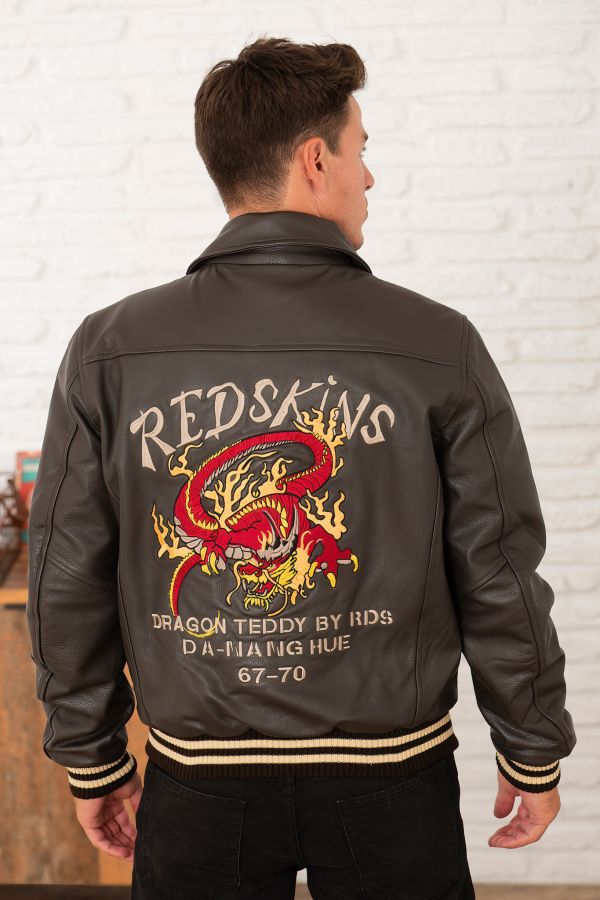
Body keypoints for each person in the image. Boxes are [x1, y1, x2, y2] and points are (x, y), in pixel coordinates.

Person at [26, 36, 576, 900]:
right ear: (316, 161)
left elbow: (67, 575)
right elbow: (498, 568)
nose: (369, 176)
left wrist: (91, 758)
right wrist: (532, 743)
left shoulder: (109, 349)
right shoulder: (437, 343)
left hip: (198, 778)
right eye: (362, 151)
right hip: (391, 778)